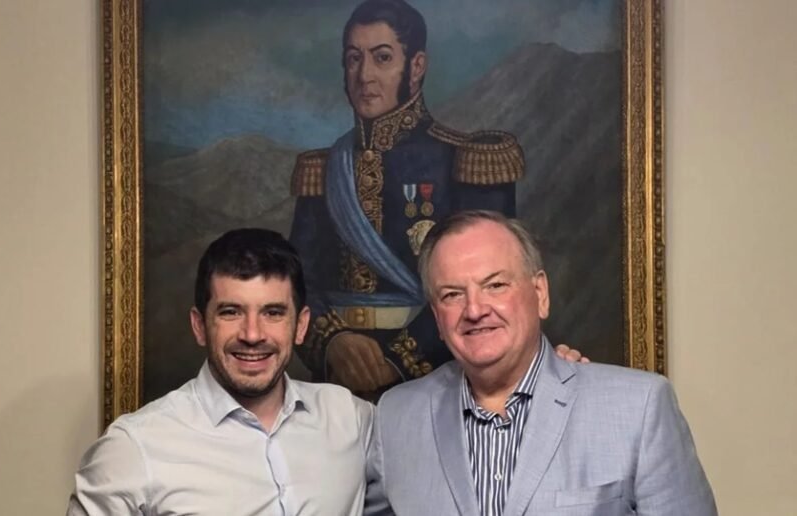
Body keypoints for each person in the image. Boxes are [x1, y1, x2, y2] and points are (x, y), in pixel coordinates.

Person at [364, 210, 717, 516]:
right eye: (452, 294)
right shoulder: (397, 417)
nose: (474, 310)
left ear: (540, 294)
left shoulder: (638, 408)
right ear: (437, 319)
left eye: (496, 285)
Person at [289, 0, 524, 398]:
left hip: (441, 381)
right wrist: (333, 343)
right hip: (336, 384)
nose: (364, 75)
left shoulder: (466, 160)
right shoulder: (325, 168)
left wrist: (394, 359)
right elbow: (295, 281)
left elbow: (490, 289)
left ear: (416, 67)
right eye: (353, 59)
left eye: (382, 58)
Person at [67, 229, 373, 515]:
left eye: (273, 313)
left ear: (301, 325)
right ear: (200, 326)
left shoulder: (352, 420)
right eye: (231, 312)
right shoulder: (132, 447)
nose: (252, 334)